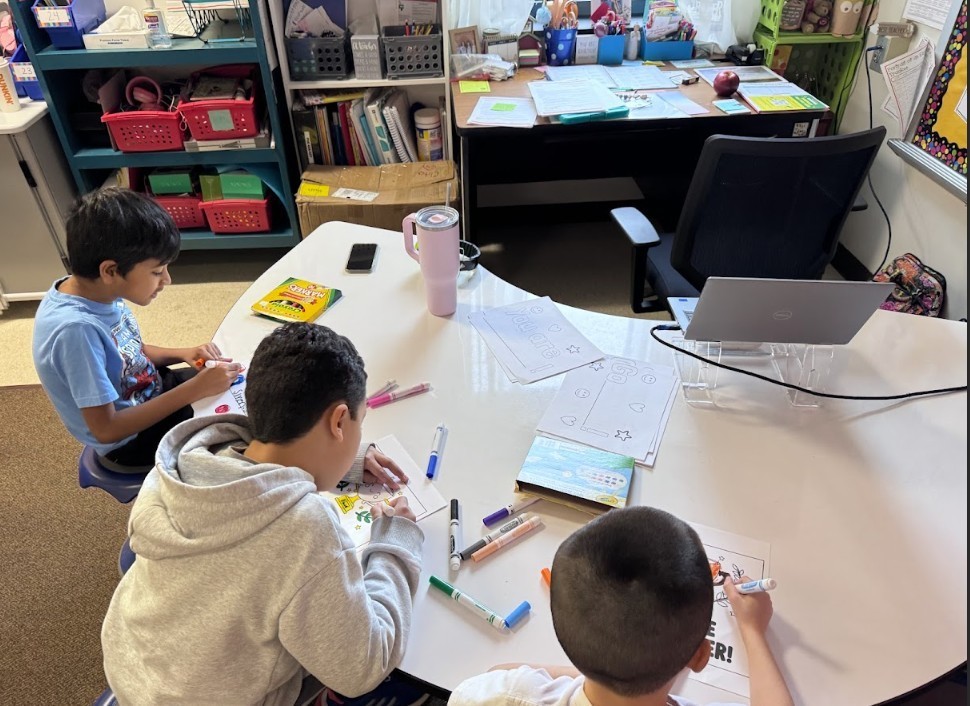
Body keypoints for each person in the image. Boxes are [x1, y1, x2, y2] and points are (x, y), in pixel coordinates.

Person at [101, 322, 425, 705]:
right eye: (358, 424)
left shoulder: (181, 467)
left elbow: (262, 470)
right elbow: (363, 667)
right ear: (338, 422)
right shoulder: (305, 529)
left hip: (134, 675)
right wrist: (395, 541)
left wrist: (346, 462)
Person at [448, 507, 794, 706]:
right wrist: (752, 631)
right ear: (700, 657)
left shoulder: (505, 697)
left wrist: (606, 667)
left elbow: (498, 672)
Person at [31, 187, 241, 471]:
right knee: (242, 431)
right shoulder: (75, 332)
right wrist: (194, 390)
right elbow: (107, 429)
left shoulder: (93, 288)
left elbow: (125, 352)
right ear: (110, 271)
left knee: (238, 383)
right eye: (157, 271)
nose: (167, 279)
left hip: (149, 390)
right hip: (131, 440)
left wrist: (181, 353)